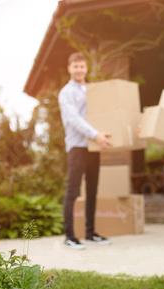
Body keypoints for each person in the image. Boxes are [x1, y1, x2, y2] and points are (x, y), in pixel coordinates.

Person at [58, 52, 113, 249]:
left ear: (86, 69)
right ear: (69, 68)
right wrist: (96, 134)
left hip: (93, 146)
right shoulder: (66, 93)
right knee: (72, 191)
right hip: (77, 146)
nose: (79, 70)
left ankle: (90, 233)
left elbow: (101, 113)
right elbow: (74, 120)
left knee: (92, 191)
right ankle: (69, 237)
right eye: (76, 66)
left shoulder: (91, 91)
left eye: (82, 66)